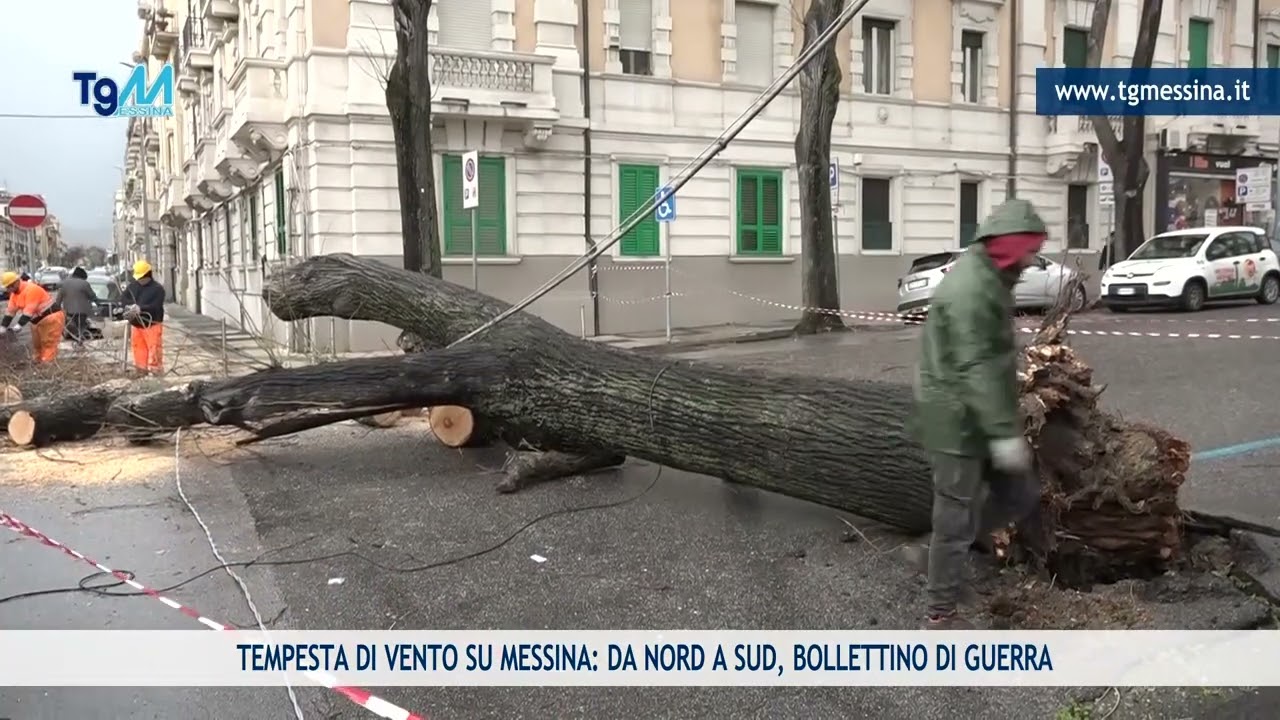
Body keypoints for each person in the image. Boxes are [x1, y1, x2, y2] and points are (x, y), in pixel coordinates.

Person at [905, 198, 1046, 630]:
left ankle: (935, 555)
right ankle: (940, 615)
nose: (1031, 260)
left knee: (1019, 494)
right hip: (956, 422)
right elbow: (975, 366)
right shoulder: (972, 288)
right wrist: (1004, 434)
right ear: (1009, 245)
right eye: (1028, 250)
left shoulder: (991, 276)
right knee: (954, 519)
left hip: (977, 416)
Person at [1, 270, 66, 363]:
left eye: (9, 287)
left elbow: (29, 311)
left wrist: (19, 325)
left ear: (16, 283)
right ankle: (38, 363)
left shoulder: (31, 289)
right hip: (37, 320)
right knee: (37, 345)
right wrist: (3, 327)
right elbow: (10, 311)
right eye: (7, 287)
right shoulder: (14, 294)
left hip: (51, 317)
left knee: (48, 344)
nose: (8, 289)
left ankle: (47, 365)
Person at [121, 260, 166, 374]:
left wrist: (141, 308)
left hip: (152, 324)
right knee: (138, 349)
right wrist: (129, 307)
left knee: (154, 349)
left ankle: (155, 372)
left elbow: (156, 306)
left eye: (142, 277)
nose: (140, 280)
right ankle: (141, 370)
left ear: (148, 275)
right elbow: (124, 299)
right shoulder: (132, 287)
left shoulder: (157, 289)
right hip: (137, 325)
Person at [57, 267, 98, 348]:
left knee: (72, 328)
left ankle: (76, 341)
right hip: (83, 311)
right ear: (82, 276)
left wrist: (57, 309)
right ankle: (81, 342)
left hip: (69, 311)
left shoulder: (64, 284)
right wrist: (96, 303)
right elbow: (92, 296)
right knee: (81, 327)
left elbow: (59, 299)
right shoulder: (84, 283)